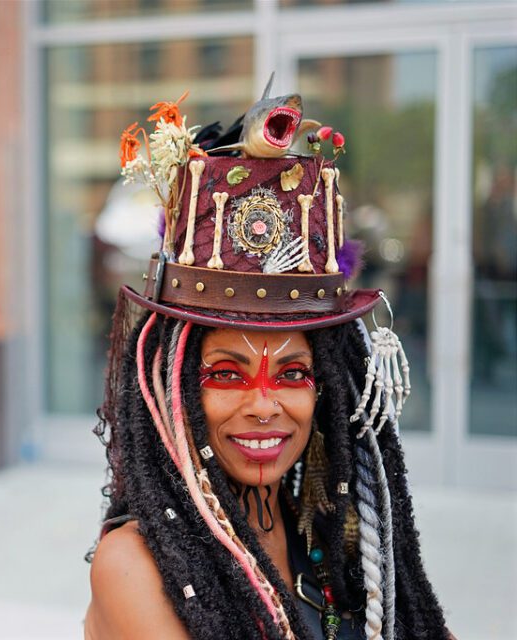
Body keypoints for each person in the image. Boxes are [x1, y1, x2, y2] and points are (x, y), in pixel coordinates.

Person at [85, 90, 452, 639]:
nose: (264, 405)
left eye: (294, 374)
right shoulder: (134, 565)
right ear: (173, 388)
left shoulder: (335, 531)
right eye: (226, 375)